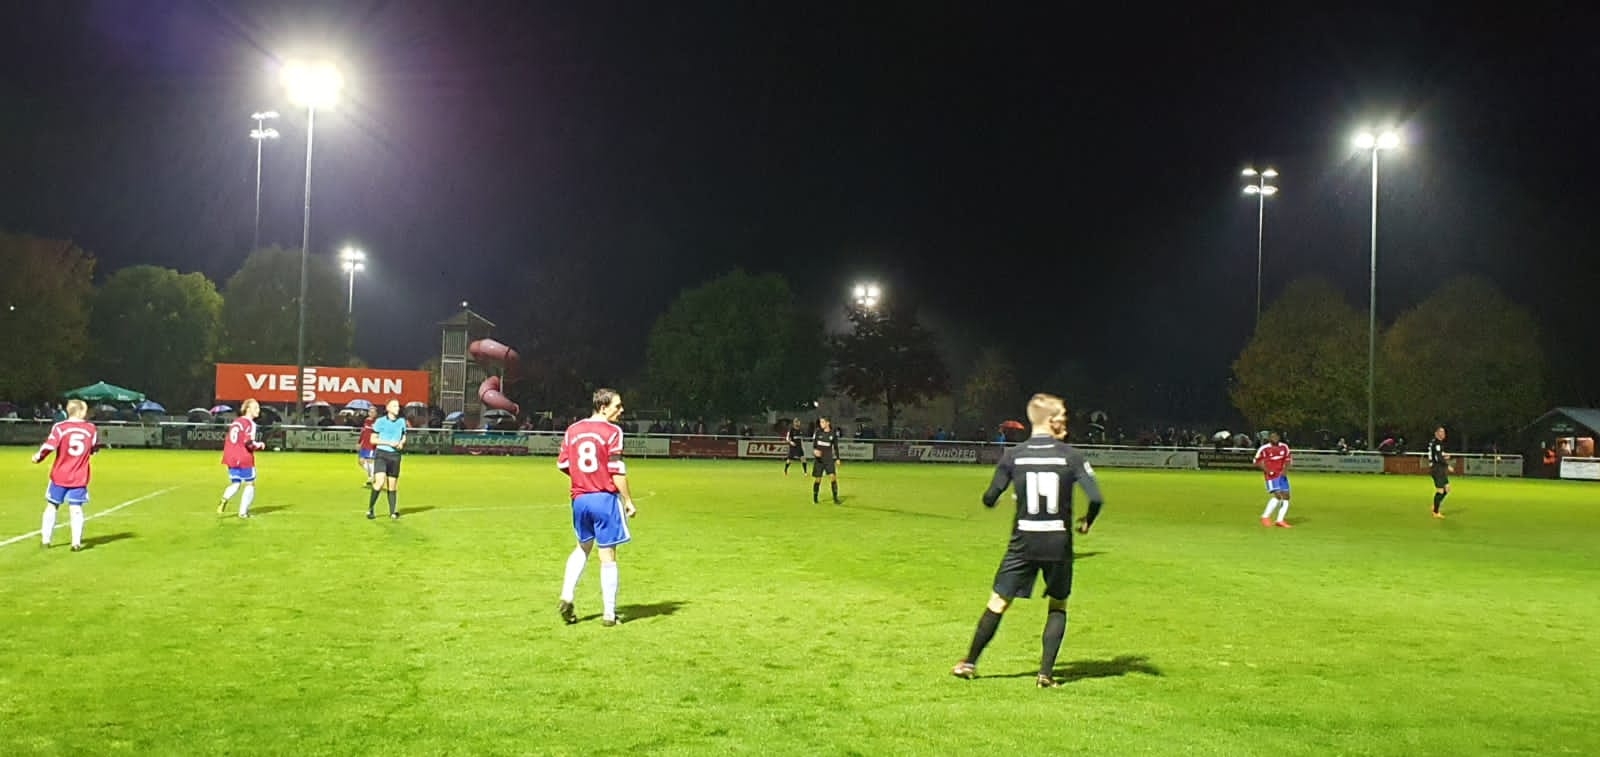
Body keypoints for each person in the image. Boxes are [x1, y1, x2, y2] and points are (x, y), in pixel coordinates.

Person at [951, 394, 1104, 688]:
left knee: (999, 601)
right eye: (1062, 416)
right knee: (1058, 604)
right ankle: (1045, 674)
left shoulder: (1014, 456)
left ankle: (969, 662)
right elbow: (1096, 498)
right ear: (1050, 420)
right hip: (1058, 541)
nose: (1065, 421)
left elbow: (989, 497)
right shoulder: (1071, 456)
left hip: (1023, 540)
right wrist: (1087, 521)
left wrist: (998, 499)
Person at [555, 388, 637, 627]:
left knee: (583, 547)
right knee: (607, 554)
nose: (621, 410)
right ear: (603, 407)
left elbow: (563, 464)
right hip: (604, 498)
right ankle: (609, 614)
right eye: (617, 406)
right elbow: (617, 470)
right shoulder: (613, 432)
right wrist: (628, 500)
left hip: (580, 499)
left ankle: (567, 594)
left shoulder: (573, 429)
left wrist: (583, 479)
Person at [31, 399, 102, 551]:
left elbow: (49, 446)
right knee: (76, 508)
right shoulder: (91, 428)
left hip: (60, 475)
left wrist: (38, 457)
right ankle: (76, 543)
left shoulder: (60, 427)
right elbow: (95, 447)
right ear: (81, 412)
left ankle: (45, 540)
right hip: (79, 476)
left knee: (52, 505)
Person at [218, 399, 266, 518]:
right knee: (250, 483)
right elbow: (248, 442)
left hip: (230, 456)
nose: (258, 410)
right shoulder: (250, 423)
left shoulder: (236, 421)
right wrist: (259, 445)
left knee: (236, 483)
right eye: (256, 408)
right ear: (248, 409)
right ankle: (243, 513)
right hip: (243, 456)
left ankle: (224, 499)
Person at [368, 399, 406, 520]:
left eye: (398, 406)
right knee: (380, 482)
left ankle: (393, 512)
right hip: (382, 454)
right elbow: (373, 439)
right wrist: (389, 443)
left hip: (395, 456)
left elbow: (404, 436)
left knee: (392, 485)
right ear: (388, 408)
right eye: (394, 406)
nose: (397, 408)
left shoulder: (401, 421)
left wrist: (401, 443)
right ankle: (370, 509)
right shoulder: (380, 421)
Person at [1254, 431, 1293, 528]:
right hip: (1272, 476)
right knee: (1278, 496)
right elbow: (1256, 461)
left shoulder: (1284, 447)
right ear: (1269, 438)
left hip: (1282, 476)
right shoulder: (1264, 448)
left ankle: (1280, 520)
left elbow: (1288, 460)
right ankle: (1265, 517)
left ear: (1279, 437)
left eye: (1276, 437)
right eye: (1272, 437)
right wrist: (1267, 471)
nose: (1274, 438)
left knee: (1286, 496)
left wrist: (1285, 471)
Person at [811, 416, 841, 504]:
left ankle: (835, 498)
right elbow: (814, 445)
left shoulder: (833, 433)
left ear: (828, 423)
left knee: (833, 477)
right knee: (818, 479)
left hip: (828, 459)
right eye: (820, 422)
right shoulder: (818, 432)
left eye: (823, 422)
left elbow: (835, 447)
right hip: (819, 460)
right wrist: (815, 451)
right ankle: (815, 498)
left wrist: (838, 458)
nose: (821, 424)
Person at [1428, 426, 1449, 518]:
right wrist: (1447, 465)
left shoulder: (1436, 443)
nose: (1443, 434)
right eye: (1441, 432)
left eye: (1444, 432)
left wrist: (1444, 455)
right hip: (1437, 469)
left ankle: (1435, 505)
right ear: (1436, 433)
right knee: (1440, 491)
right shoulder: (1437, 443)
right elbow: (1438, 458)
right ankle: (1435, 512)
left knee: (1447, 489)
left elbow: (1437, 454)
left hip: (1440, 469)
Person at [357, 407, 378, 487]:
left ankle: (371, 478)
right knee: (361, 462)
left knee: (369, 461)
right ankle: (373, 475)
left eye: (373, 412)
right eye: (370, 412)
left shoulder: (377, 422)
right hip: (364, 445)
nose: (371, 413)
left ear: (376, 413)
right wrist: (359, 442)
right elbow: (363, 431)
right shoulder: (366, 420)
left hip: (371, 445)